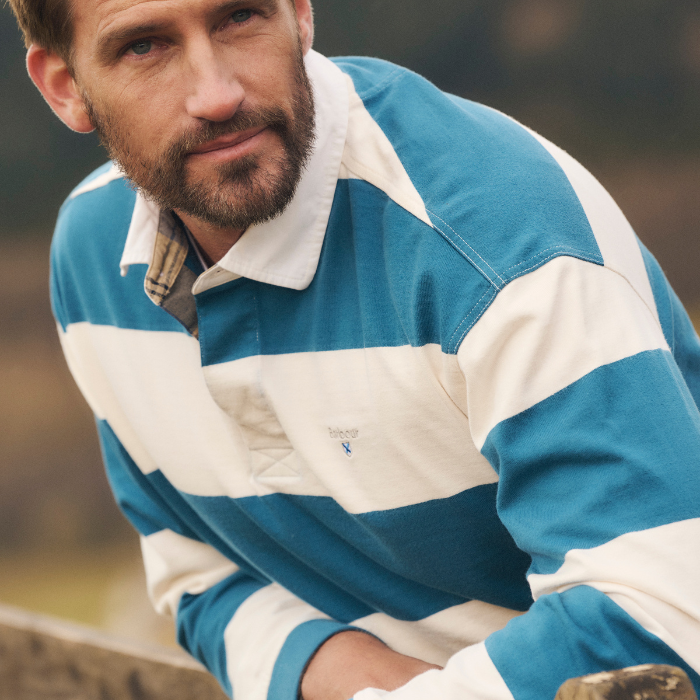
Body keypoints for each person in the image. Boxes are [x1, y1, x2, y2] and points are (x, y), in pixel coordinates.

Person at [9, 0, 700, 698]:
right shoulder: (96, 266)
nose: (216, 94)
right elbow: (194, 566)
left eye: (240, 17)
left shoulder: (500, 249)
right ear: (64, 86)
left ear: (300, 14)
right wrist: (318, 664)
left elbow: (661, 614)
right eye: (144, 47)